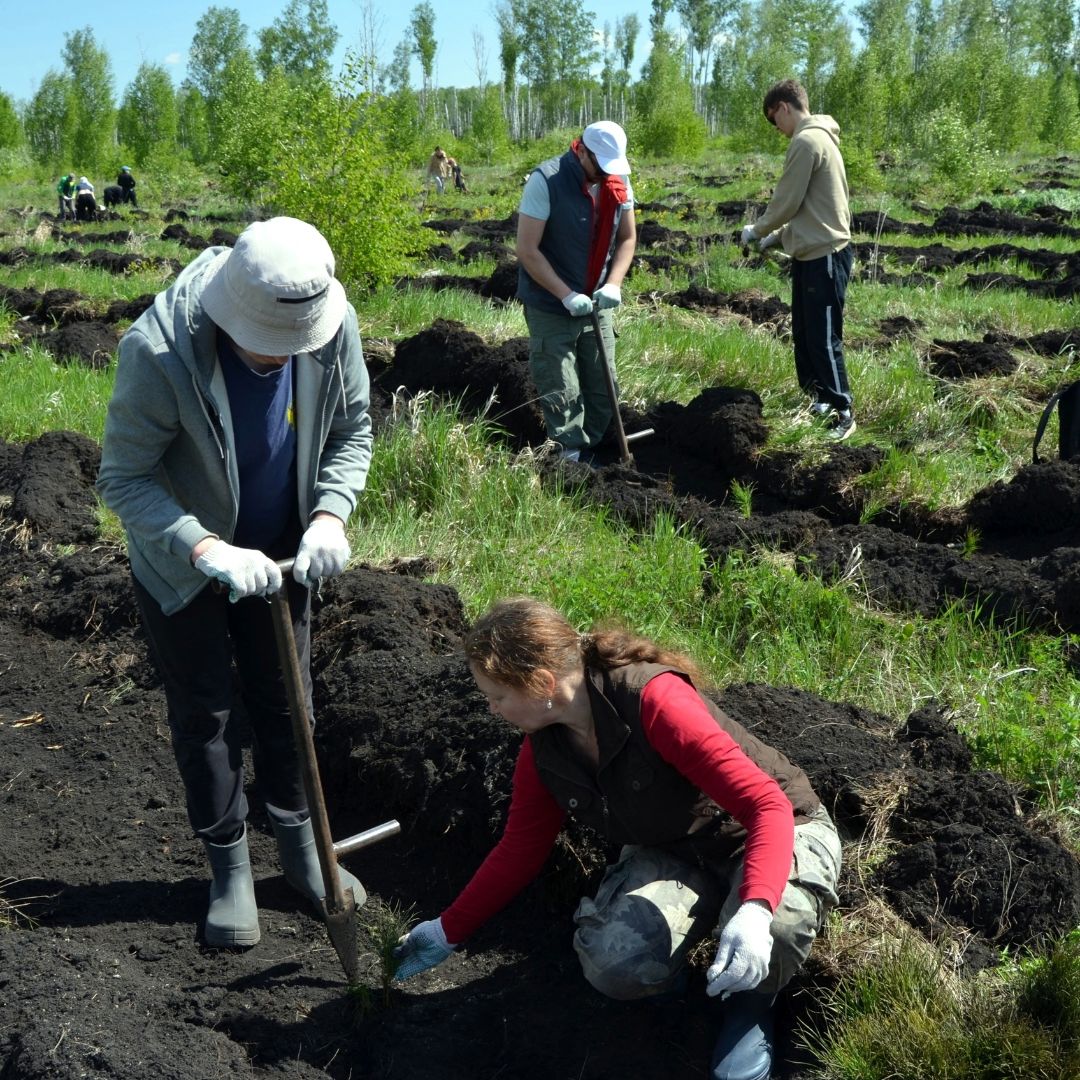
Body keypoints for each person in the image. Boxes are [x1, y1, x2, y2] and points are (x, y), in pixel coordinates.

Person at [394, 597, 842, 1080]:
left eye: (497, 695)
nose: (490, 707)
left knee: (774, 928)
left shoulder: (656, 702)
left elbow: (766, 806)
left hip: (772, 831)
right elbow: (520, 850)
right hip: (675, 851)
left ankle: (753, 1004)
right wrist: (447, 930)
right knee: (614, 963)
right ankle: (690, 991)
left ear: (542, 683)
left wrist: (754, 908)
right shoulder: (545, 750)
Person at [97, 217, 373, 948]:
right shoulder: (158, 353)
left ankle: (304, 847)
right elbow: (123, 475)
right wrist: (203, 546)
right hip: (184, 562)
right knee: (207, 715)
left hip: (285, 548)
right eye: (271, 345)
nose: (290, 355)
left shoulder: (328, 324)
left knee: (288, 701)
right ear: (228, 313)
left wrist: (330, 516)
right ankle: (230, 869)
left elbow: (352, 429)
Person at [741, 79, 855, 442]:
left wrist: (756, 231)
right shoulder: (817, 139)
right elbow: (808, 209)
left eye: (775, 121)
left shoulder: (807, 141)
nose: (777, 130)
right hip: (812, 253)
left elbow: (787, 202)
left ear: (784, 108)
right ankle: (819, 403)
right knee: (805, 335)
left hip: (825, 256)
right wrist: (777, 239)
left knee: (822, 338)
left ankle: (843, 412)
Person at [516, 121, 636, 463]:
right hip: (550, 304)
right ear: (581, 150)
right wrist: (565, 294)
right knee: (562, 387)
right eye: (599, 166)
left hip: (597, 301)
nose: (604, 174)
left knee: (604, 385)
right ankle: (569, 457)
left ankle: (595, 447)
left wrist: (613, 283)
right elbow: (527, 250)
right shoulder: (546, 181)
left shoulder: (618, 180)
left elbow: (627, 238)